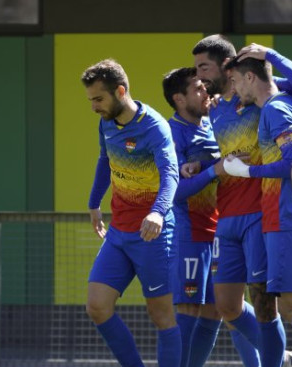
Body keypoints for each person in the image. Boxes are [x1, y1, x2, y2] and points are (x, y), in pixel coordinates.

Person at [189, 35, 292, 367]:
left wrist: (270, 54)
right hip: (225, 215)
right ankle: (284, 357)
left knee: (264, 306)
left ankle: (275, 360)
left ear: (227, 67)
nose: (199, 76)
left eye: (204, 67)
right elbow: (227, 157)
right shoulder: (215, 110)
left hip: (260, 214)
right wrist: (201, 166)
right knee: (227, 306)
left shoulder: (263, 96)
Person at [222, 43, 292, 367]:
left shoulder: (275, 108)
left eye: (236, 81)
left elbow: (291, 162)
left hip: (285, 216)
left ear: (249, 77)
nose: (234, 89)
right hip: (280, 216)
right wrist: (269, 56)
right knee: (289, 307)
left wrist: (247, 171)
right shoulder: (287, 99)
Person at [82, 59, 181, 367]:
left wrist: (157, 213)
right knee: (97, 307)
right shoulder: (106, 123)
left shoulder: (154, 127)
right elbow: (104, 161)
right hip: (118, 233)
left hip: (152, 233)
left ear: (120, 91)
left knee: (161, 315)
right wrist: (94, 203)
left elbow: (171, 174)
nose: (94, 107)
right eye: (91, 100)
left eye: (98, 99)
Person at [162, 67, 227, 367]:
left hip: (216, 230)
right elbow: (175, 192)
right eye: (198, 89)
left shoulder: (211, 124)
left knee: (217, 309)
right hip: (187, 231)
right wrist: (214, 169)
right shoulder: (170, 133)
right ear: (179, 98)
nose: (206, 93)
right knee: (188, 308)